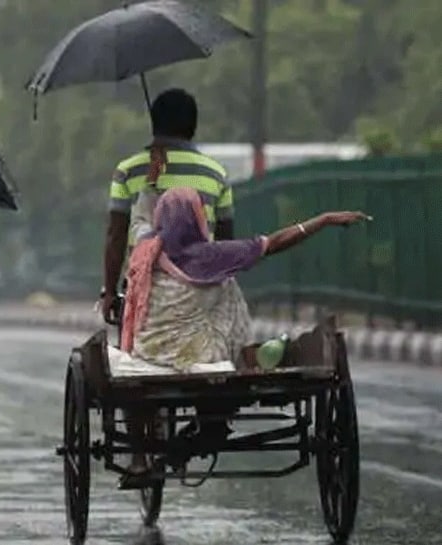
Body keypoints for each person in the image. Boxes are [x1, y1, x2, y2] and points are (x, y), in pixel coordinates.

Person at [116, 186, 368, 485]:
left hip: (152, 354)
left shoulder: (146, 249)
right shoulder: (215, 255)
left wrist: (148, 188)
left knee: (126, 381)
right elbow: (274, 243)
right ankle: (202, 433)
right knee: (227, 286)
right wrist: (325, 219)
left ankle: (139, 458)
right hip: (206, 357)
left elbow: (139, 221)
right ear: (198, 219)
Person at [102, 88, 233, 323]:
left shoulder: (128, 171)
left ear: (154, 124)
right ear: (193, 126)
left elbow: (116, 235)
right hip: (199, 292)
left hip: (143, 293)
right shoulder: (216, 174)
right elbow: (226, 241)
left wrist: (110, 291)